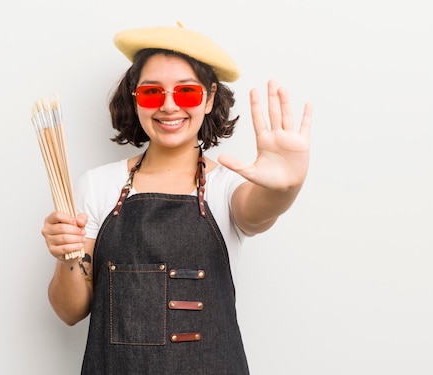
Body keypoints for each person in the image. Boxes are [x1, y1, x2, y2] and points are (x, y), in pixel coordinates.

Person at [41, 22, 312, 374]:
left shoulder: (227, 186)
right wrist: (66, 256)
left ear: (210, 97)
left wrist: (284, 187)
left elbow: (257, 211)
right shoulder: (97, 185)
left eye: (186, 93)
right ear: (135, 97)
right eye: (153, 93)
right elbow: (70, 311)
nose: (169, 107)